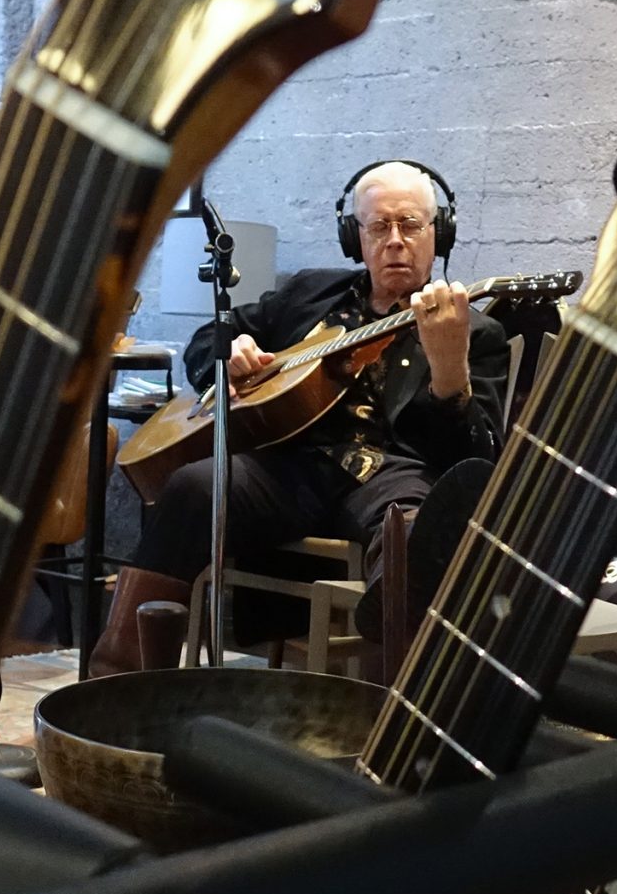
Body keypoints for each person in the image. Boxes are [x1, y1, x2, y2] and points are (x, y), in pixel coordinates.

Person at [91, 159, 510, 675]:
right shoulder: (310, 293)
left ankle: (400, 686)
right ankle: (119, 672)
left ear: (437, 233)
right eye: (379, 226)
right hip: (290, 469)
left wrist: (450, 371)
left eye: (411, 225)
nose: (395, 240)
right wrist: (229, 352)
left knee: (415, 528)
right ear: (354, 237)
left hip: (390, 475)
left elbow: (471, 461)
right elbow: (206, 343)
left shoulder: (477, 333)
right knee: (194, 486)